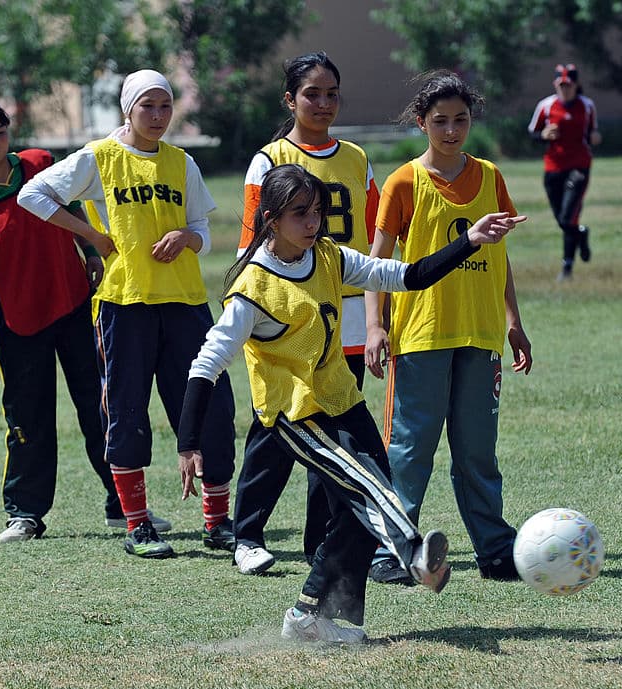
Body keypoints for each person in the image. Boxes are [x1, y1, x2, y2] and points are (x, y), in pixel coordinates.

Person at [178, 163, 525, 643]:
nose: (313, 222)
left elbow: (407, 276)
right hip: (295, 411)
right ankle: (414, 552)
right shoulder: (252, 288)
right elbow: (206, 363)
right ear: (272, 219)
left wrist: (471, 241)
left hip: (342, 396)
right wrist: (188, 442)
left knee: (357, 508)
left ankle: (309, 618)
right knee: (364, 486)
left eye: (317, 211)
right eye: (301, 213)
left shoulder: (326, 256)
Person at [17, 70, 236, 559]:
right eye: (147, 107)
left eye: (165, 106)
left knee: (211, 407)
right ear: (127, 110)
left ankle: (217, 522)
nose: (157, 116)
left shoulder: (182, 163)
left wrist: (186, 237)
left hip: (184, 304)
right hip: (124, 305)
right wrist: (90, 236)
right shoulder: (101, 157)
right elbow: (32, 195)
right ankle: (137, 525)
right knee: (127, 412)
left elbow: (202, 227)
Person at [0, 97, 167, 543]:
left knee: (102, 409)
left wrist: (87, 248)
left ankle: (125, 507)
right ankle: (24, 514)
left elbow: (72, 206)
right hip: (17, 326)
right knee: (28, 419)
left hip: (76, 306)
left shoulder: (40, 166)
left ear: (10, 131)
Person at [364, 71, 533, 586]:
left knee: (478, 450)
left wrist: (514, 323)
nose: (452, 130)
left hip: (479, 335)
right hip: (421, 336)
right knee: (411, 451)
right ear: (422, 123)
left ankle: (495, 550)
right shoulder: (403, 182)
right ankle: (391, 551)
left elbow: (500, 258)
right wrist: (375, 326)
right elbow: (376, 264)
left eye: (460, 119)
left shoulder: (491, 176)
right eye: (440, 121)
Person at [232, 52, 381, 575]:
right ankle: (246, 535)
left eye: (332, 93)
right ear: (290, 99)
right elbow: (250, 240)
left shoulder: (358, 157)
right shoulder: (269, 158)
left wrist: (378, 313)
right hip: (286, 315)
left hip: (345, 316)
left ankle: (320, 540)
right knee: (274, 430)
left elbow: (372, 237)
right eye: (312, 93)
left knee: (335, 434)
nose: (323, 103)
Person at [528, 63, 602, 282]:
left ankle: (567, 267)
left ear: (576, 85)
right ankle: (581, 233)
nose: (565, 89)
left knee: (569, 214)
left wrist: (596, 137)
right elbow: (532, 133)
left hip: (579, 166)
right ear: (555, 85)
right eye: (561, 85)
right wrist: (543, 135)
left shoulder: (587, 105)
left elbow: (592, 133)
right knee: (563, 220)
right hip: (553, 168)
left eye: (568, 85)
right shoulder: (546, 106)